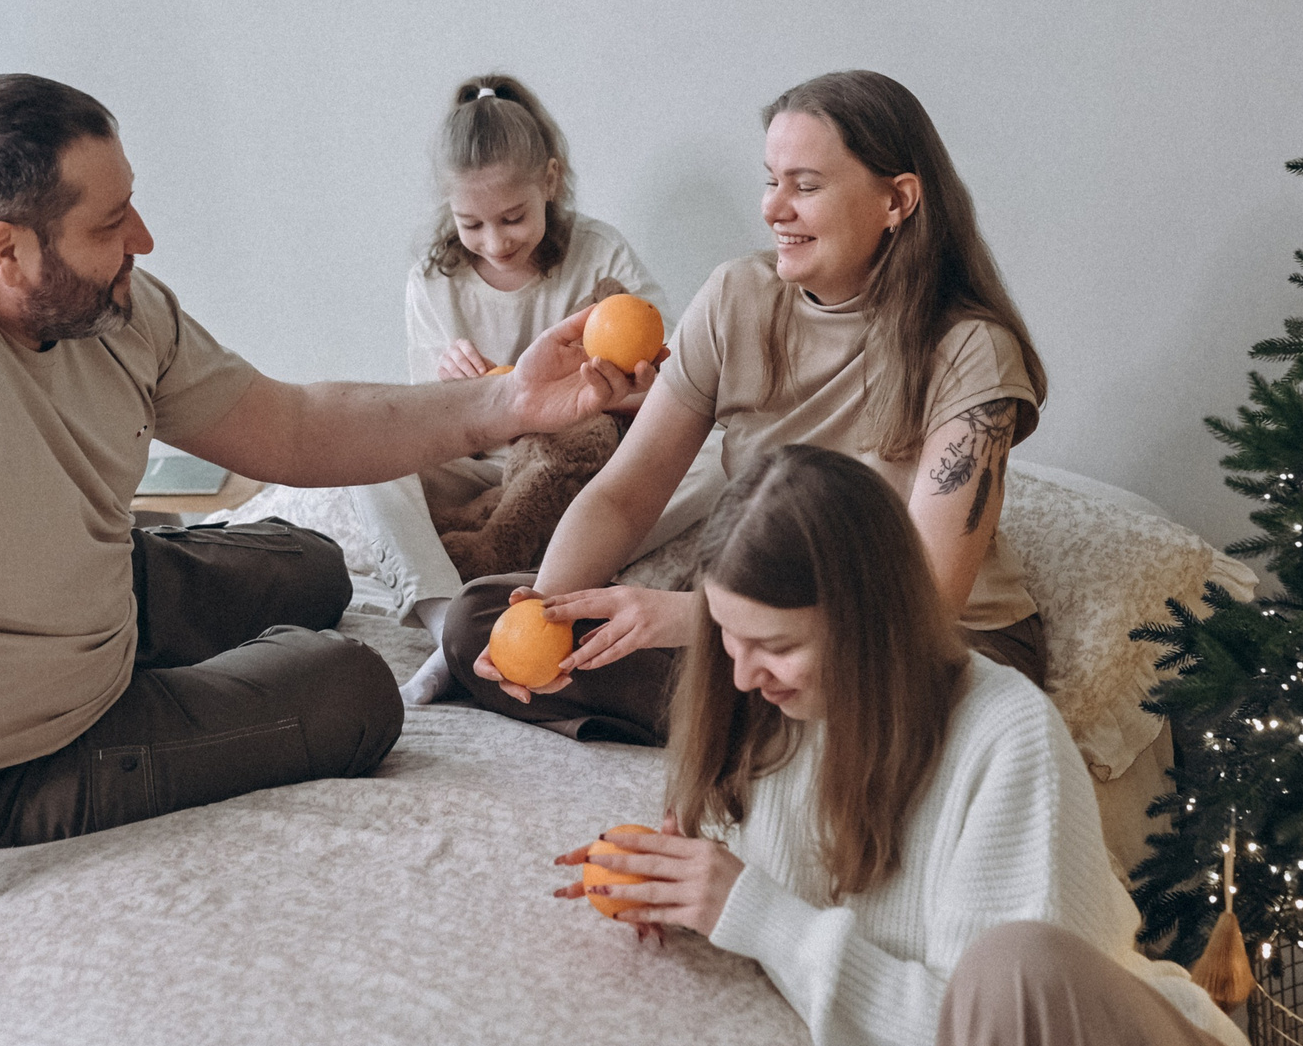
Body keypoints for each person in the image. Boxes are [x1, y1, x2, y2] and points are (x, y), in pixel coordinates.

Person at [558, 448, 1283, 1046]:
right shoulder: (764, 729)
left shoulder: (1005, 733)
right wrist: (669, 880)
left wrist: (753, 910)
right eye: (727, 635)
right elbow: (740, 871)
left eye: (776, 646)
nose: (744, 672)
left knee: (1014, 968)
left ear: (871, 623)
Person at [0, 73, 638, 852]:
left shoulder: (113, 309)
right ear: (4, 250)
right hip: (6, 762)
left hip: (95, 593)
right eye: (111, 223)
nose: (143, 239)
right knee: (349, 690)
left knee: (315, 566)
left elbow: (292, 426)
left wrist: (510, 403)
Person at [447, 69, 1049, 743]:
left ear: (896, 200)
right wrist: (544, 618)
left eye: (806, 185)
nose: (772, 208)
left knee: (891, 710)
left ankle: (768, 724)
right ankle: (764, 723)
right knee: (476, 616)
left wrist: (698, 619)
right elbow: (624, 495)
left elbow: (930, 600)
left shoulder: (970, 348)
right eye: (771, 179)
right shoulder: (735, 297)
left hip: (922, 646)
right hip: (758, 638)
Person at [342, 73, 720, 706]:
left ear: (549, 181)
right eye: (473, 224)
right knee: (362, 452)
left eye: (513, 217)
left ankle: (550, 585)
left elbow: (674, 388)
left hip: (585, 462)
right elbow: (421, 426)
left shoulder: (600, 255)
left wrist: (591, 391)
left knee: (719, 457)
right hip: (481, 463)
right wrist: (458, 395)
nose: (497, 242)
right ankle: (447, 630)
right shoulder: (432, 281)